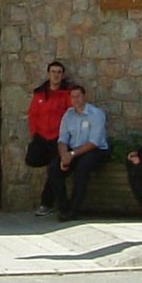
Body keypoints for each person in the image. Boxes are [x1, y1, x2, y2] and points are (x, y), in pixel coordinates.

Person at [47, 84, 109, 222]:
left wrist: (72, 155)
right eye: (73, 96)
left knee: (82, 168)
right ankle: (63, 207)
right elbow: (62, 139)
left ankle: (74, 210)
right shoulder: (68, 115)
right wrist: (64, 156)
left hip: (95, 150)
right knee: (53, 169)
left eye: (78, 96)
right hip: (73, 151)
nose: (76, 99)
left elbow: (94, 142)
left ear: (84, 97)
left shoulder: (96, 114)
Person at [26, 61, 72, 217]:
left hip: (59, 139)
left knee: (54, 170)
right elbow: (32, 115)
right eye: (53, 72)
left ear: (63, 75)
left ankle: (47, 203)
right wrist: (34, 134)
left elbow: (70, 115)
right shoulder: (39, 93)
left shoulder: (67, 93)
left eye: (59, 72)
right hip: (41, 137)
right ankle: (51, 204)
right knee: (33, 160)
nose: (56, 75)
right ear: (48, 74)